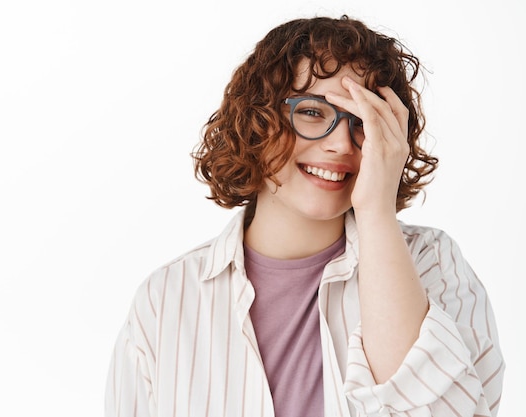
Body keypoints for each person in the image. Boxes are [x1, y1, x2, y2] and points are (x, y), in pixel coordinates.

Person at [105, 15, 504, 417]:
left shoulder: (432, 264)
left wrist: (377, 212)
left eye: (364, 122)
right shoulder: (166, 299)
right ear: (257, 121)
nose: (341, 144)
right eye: (313, 112)